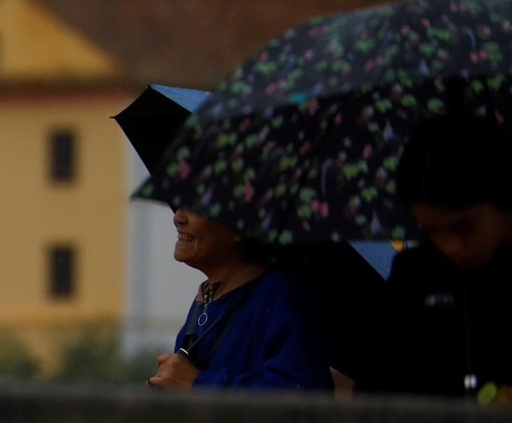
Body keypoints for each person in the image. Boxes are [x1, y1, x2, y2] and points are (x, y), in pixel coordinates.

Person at [358, 114, 512, 401]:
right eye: (431, 231)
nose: (451, 246)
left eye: (464, 226)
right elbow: (374, 394)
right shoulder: (414, 273)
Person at [147, 208, 332, 391]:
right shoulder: (206, 300)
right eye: (180, 205)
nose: (178, 218)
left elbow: (302, 397)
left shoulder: (281, 292)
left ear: (241, 226)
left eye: (195, 208)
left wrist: (198, 383)